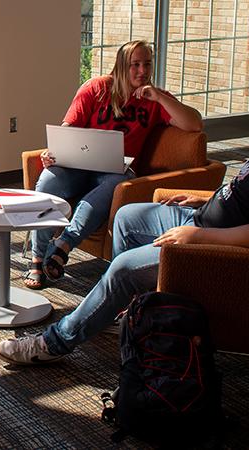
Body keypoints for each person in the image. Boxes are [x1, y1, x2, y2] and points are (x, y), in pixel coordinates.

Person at [0, 61, 249, 365]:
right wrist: (206, 200)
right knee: (128, 217)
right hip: (206, 219)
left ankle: (54, 343)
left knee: (122, 269)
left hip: (217, 249)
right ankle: (134, 315)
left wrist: (197, 235)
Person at [24, 40, 203, 290]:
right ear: (121, 66)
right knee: (48, 181)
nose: (142, 71)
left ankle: (64, 244)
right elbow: (68, 129)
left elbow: (195, 124)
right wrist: (52, 153)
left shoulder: (154, 100)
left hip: (114, 171)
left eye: (147, 64)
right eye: (135, 65)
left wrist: (160, 96)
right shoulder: (96, 88)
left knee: (116, 183)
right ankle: (37, 257)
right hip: (77, 165)